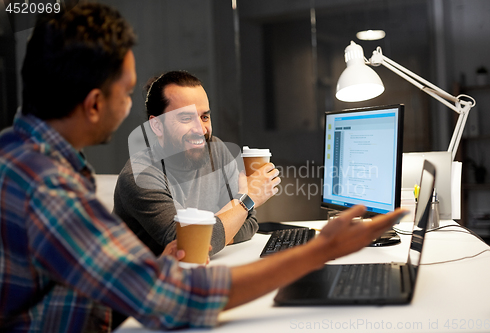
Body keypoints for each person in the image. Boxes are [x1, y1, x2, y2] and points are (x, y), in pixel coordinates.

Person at [0, 3, 407, 332]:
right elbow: (176, 299)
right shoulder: (48, 188)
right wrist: (321, 251)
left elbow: (235, 230)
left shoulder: (24, 159)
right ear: (93, 104)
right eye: (125, 93)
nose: (128, 106)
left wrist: (219, 226)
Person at [113, 71, 279, 256]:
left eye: (204, 117)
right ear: (157, 126)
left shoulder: (216, 150)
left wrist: (213, 235)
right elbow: (188, 246)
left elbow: (249, 223)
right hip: (142, 282)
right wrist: (247, 199)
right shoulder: (140, 175)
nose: (201, 129)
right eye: (186, 118)